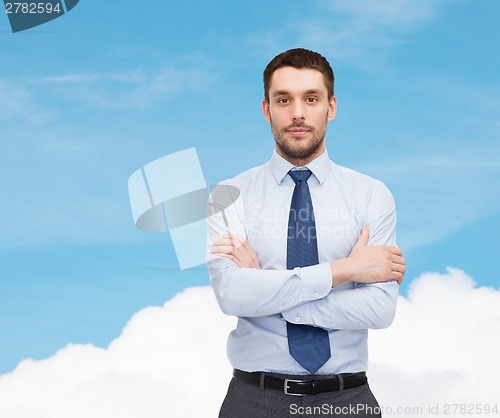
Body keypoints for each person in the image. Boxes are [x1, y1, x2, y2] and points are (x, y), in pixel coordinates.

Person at [206, 48, 406, 418]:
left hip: (349, 400)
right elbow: (232, 295)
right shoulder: (229, 195)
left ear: (331, 107)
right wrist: (343, 271)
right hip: (253, 400)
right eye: (284, 100)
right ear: (267, 109)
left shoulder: (371, 195)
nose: (298, 113)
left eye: (311, 99)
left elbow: (379, 309)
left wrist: (267, 289)